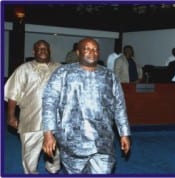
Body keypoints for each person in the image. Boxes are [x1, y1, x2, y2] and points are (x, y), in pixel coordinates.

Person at [42, 37, 131, 174]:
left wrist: (124, 133)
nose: (92, 52)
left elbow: (119, 106)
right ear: (78, 52)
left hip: (103, 142)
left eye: (95, 49)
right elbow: (49, 103)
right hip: (72, 143)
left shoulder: (110, 76)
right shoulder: (62, 73)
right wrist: (48, 134)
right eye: (87, 49)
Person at [4, 40, 61, 174]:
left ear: (49, 51)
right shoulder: (24, 69)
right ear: (33, 52)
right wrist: (11, 116)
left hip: (55, 121)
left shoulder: (59, 68)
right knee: (30, 155)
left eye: (45, 48)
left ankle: (53, 170)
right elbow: (13, 92)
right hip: (31, 120)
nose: (42, 51)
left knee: (56, 154)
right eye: (39, 49)